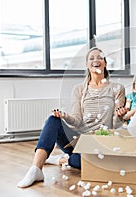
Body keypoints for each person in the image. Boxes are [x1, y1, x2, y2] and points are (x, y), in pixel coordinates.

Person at [17, 47, 126, 188]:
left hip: (100, 144)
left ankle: (63, 159)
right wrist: (64, 116)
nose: (95, 61)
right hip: (78, 141)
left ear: (105, 63)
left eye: (99, 57)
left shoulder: (117, 88)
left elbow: (115, 125)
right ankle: (36, 169)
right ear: (87, 65)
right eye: (91, 58)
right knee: (52, 120)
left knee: (87, 162)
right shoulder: (79, 89)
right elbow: (77, 120)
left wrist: (119, 116)